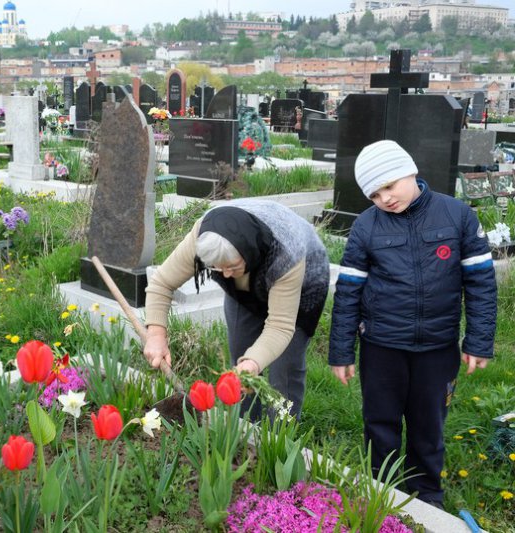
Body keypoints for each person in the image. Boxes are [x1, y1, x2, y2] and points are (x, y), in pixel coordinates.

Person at [329, 140, 497, 508]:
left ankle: (426, 493)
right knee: (380, 422)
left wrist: (479, 340)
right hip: (382, 347)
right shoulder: (366, 227)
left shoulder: (458, 216)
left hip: (437, 348)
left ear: (410, 171)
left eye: (389, 186)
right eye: (374, 194)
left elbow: (481, 283)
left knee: (428, 425)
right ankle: (381, 486)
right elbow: (348, 293)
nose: (385, 198)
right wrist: (342, 351)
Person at [144, 199, 330, 419]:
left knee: (285, 367)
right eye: (216, 268)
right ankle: (245, 427)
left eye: (232, 267)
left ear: (248, 252)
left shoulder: (286, 253)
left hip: (302, 285)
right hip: (246, 290)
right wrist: (156, 335)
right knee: (241, 356)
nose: (225, 275)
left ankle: (281, 435)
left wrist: (254, 361)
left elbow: (280, 327)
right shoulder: (204, 235)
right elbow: (161, 283)